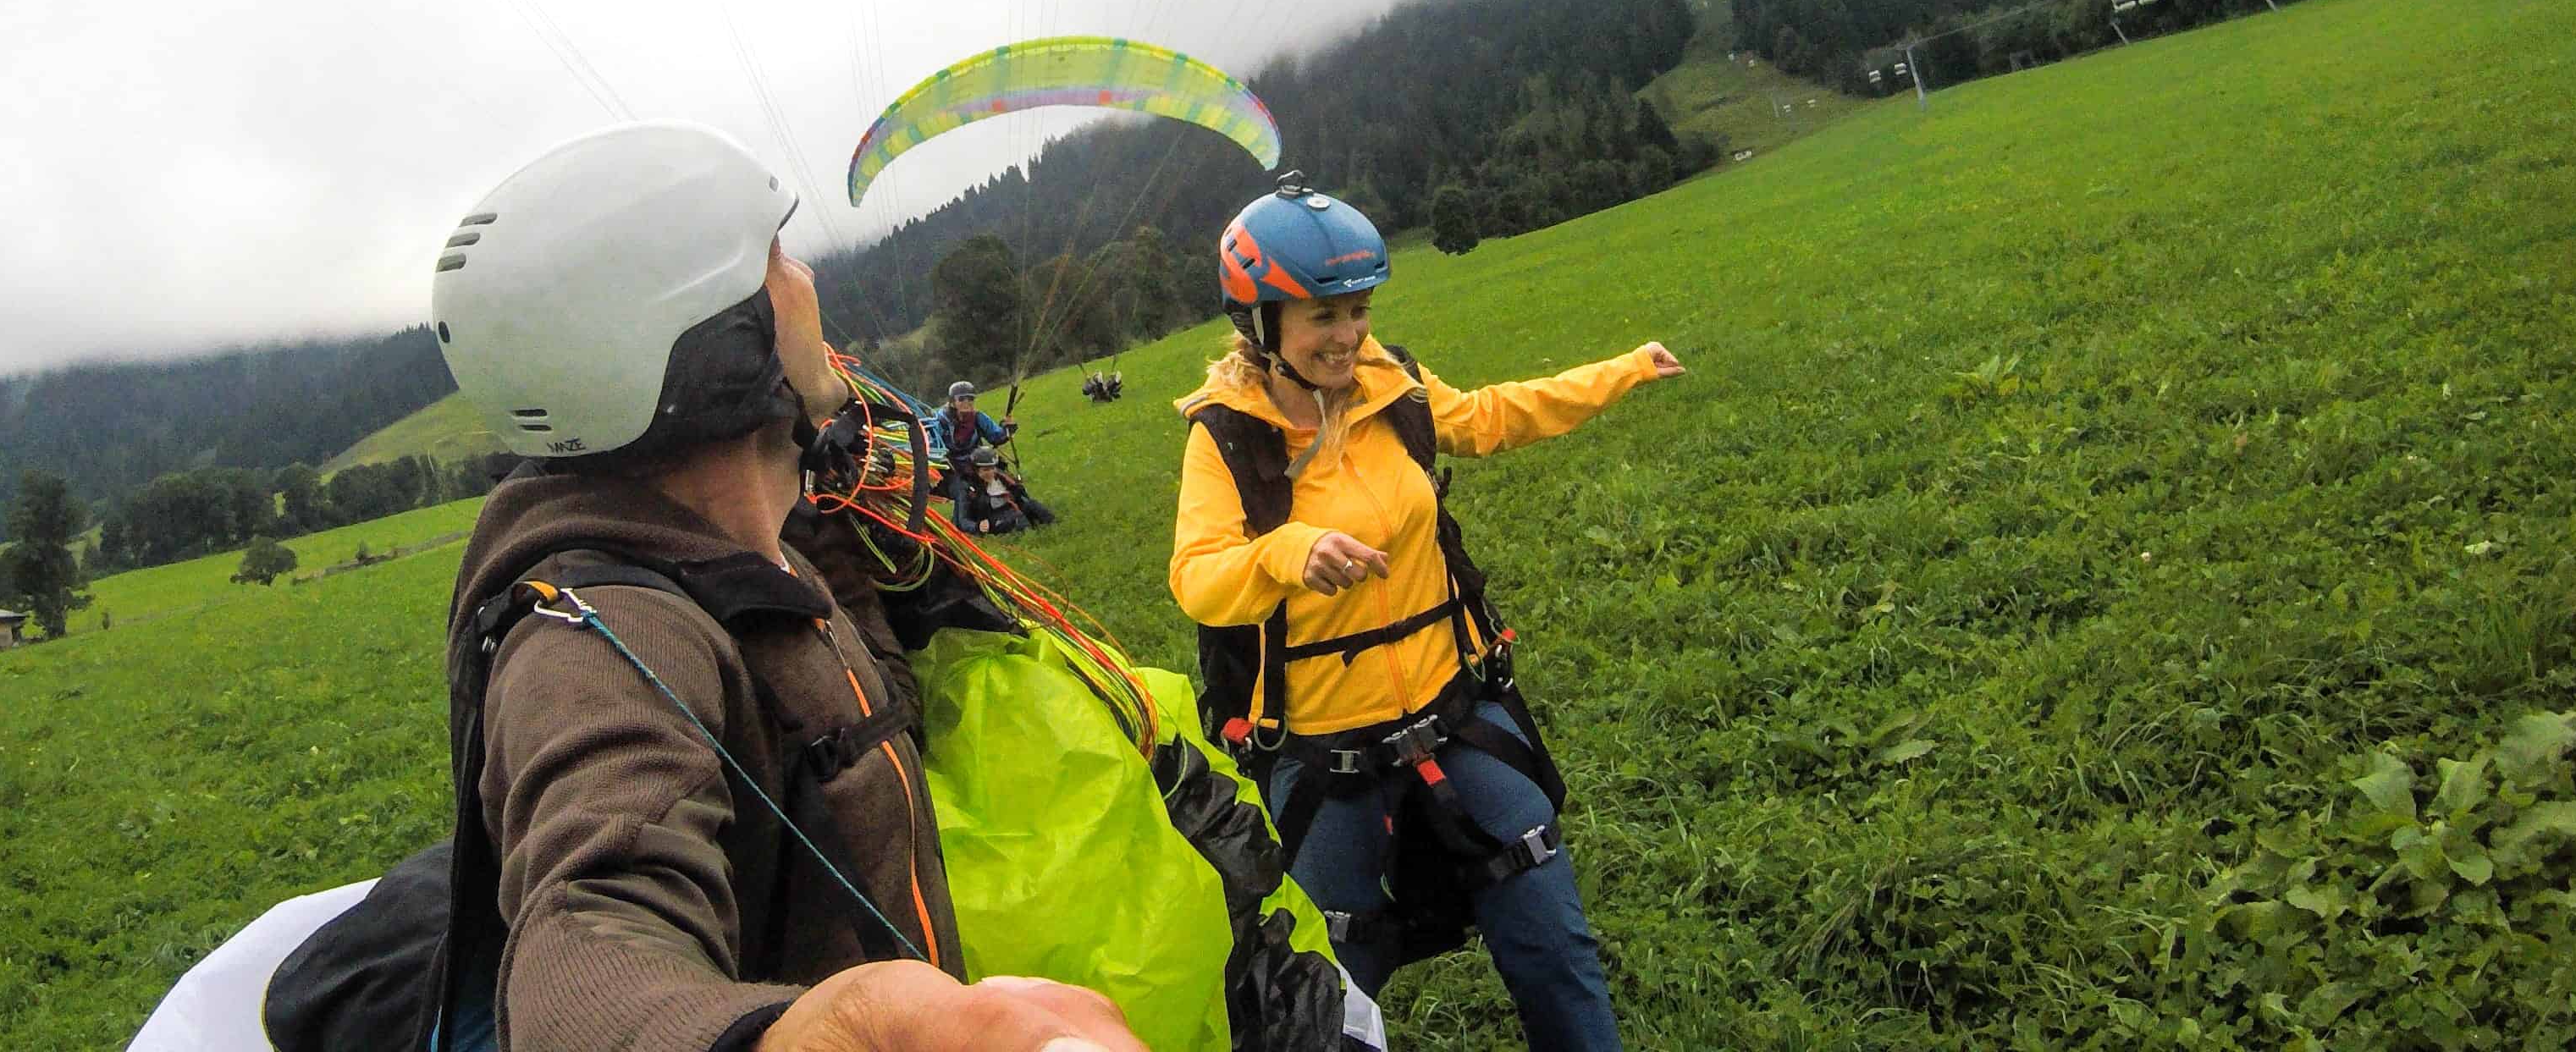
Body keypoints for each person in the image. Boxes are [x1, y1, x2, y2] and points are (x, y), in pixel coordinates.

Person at [427, 122, 1145, 1052]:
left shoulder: (758, 552)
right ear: (721, 345)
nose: (807, 284)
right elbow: (587, 931)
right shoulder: (603, 636)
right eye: (775, 261)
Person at [1167, 173, 1683, 1052]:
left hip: (1451, 716)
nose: (1349, 333)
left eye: (1359, 308)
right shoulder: (1226, 436)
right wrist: (1288, 552)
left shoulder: (1390, 387)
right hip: (1326, 754)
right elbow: (1199, 578)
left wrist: (1621, 372)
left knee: (1554, 938)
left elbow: (1489, 417)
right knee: (1321, 998)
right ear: (1263, 328)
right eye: (1324, 317)